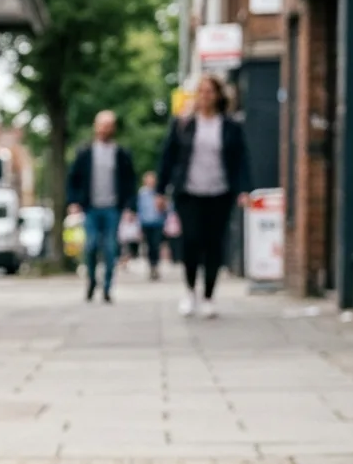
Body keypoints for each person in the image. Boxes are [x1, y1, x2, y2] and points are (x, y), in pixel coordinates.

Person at [157, 74, 250, 317]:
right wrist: (160, 190)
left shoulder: (230, 126)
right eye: (201, 91)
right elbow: (168, 158)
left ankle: (208, 296)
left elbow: (241, 160)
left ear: (218, 95)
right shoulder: (183, 123)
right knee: (191, 240)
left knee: (214, 244)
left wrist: (243, 190)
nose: (205, 96)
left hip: (220, 192)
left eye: (210, 91)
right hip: (189, 192)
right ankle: (190, 291)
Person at [65, 110, 138, 303]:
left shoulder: (121, 154)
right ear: (96, 127)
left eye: (109, 125)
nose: (105, 129)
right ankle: (91, 281)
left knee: (110, 247)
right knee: (90, 245)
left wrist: (130, 207)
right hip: (91, 207)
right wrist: (73, 202)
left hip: (113, 207)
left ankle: (107, 287)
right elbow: (74, 178)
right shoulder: (85, 153)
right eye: (102, 124)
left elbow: (130, 182)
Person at [135, 171, 167, 280]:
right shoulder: (142, 193)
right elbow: (139, 209)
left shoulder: (160, 192)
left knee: (156, 244)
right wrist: (138, 224)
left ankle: (156, 265)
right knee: (148, 245)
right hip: (146, 222)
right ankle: (151, 266)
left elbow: (167, 209)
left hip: (158, 222)